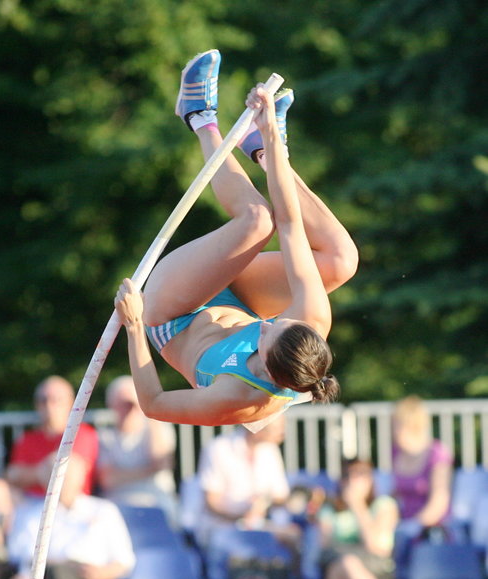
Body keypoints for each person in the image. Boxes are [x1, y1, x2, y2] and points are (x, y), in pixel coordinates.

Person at [114, 49, 358, 428]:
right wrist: (273, 139)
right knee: (341, 260)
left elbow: (154, 403)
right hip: (238, 294)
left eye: (267, 333)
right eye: (279, 322)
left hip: (173, 314)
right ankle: (258, 146)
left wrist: (133, 326)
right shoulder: (309, 321)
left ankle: (199, 115)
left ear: (271, 372)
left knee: (257, 221)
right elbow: (292, 225)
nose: (264, 323)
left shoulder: (238, 399)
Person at [6, 453, 135, 579]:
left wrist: (102, 573)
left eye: (67, 476)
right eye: (56, 475)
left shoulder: (103, 511)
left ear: (81, 478)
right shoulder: (30, 514)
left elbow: (125, 560)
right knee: (49, 577)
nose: (62, 481)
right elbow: (21, 555)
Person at [0, 375, 99, 564]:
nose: (48, 405)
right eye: (43, 400)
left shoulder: (84, 434)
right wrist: (43, 471)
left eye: (56, 399)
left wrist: (34, 472)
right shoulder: (28, 439)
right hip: (29, 503)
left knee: (58, 467)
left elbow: (68, 476)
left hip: (67, 506)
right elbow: (12, 475)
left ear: (71, 403)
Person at [196, 415, 298, 548]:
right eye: (277, 428)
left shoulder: (271, 450)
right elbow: (211, 503)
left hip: (257, 527)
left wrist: (262, 503)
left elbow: (280, 497)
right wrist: (242, 516)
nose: (282, 433)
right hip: (222, 529)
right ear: (257, 427)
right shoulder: (218, 448)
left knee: (295, 536)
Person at [96, 375, 178, 524]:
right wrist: (148, 471)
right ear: (112, 405)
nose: (128, 409)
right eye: (122, 404)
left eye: (132, 403)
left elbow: (161, 462)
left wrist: (150, 411)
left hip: (156, 501)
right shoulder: (105, 437)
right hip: (118, 505)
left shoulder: (159, 429)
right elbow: (108, 480)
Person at [390, 395, 455, 579]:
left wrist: (414, 525)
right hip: (401, 523)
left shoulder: (437, 454)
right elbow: (395, 492)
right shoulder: (396, 452)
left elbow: (439, 501)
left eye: (396, 424)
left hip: (431, 528)